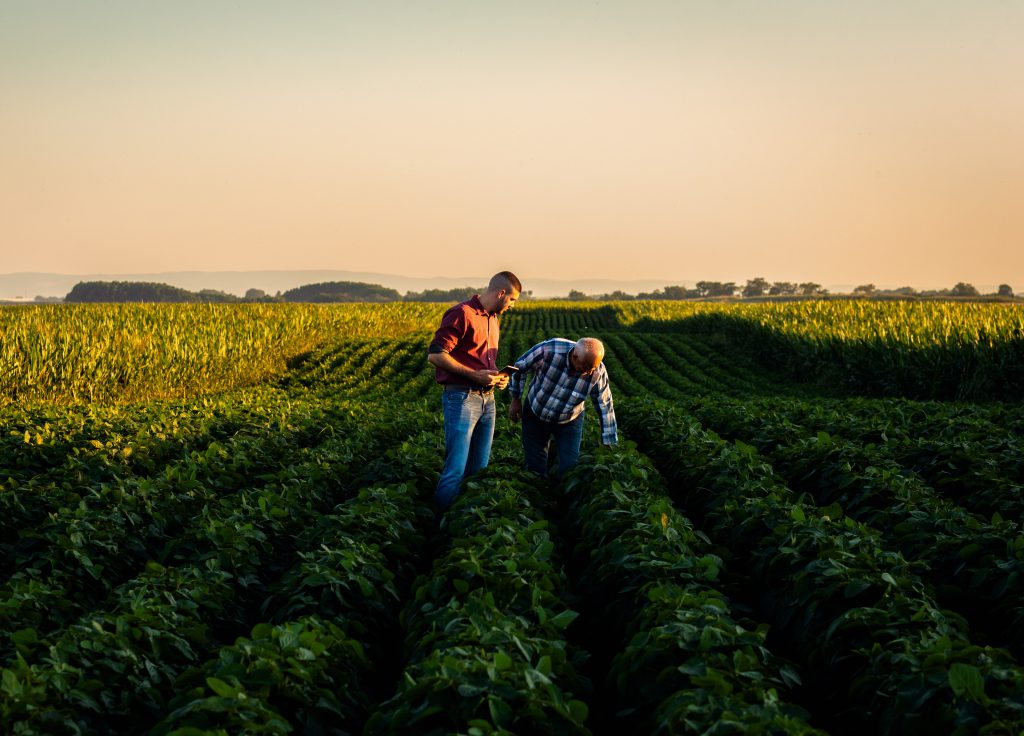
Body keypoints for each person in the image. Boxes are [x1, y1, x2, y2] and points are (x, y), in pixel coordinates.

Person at [427, 271, 522, 508]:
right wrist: (475, 376)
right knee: (455, 469)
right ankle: (441, 529)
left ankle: (467, 520)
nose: (512, 306)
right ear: (501, 293)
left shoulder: (493, 319)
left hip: (487, 400)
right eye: (512, 300)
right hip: (462, 398)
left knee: (479, 469)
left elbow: (482, 364)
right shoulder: (462, 314)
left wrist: (499, 378)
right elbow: (436, 355)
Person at [508, 337, 617, 476]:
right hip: (536, 413)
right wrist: (516, 399)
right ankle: (541, 489)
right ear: (575, 356)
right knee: (535, 466)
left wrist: (608, 439)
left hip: (569, 419)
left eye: (593, 368)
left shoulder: (598, 370)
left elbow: (604, 403)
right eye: (586, 367)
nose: (590, 372)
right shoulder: (549, 350)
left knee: (569, 466)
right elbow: (519, 368)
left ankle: (562, 491)